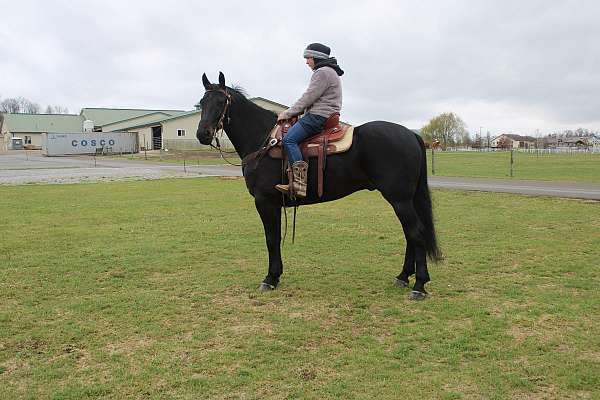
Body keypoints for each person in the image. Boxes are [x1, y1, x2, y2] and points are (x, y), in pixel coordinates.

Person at [275, 42, 344, 198]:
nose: (307, 62)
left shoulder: (322, 72)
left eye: (308, 58)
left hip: (318, 116)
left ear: (317, 58)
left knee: (289, 140)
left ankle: (299, 183)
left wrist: (287, 113)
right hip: (326, 114)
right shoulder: (330, 72)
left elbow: (308, 97)